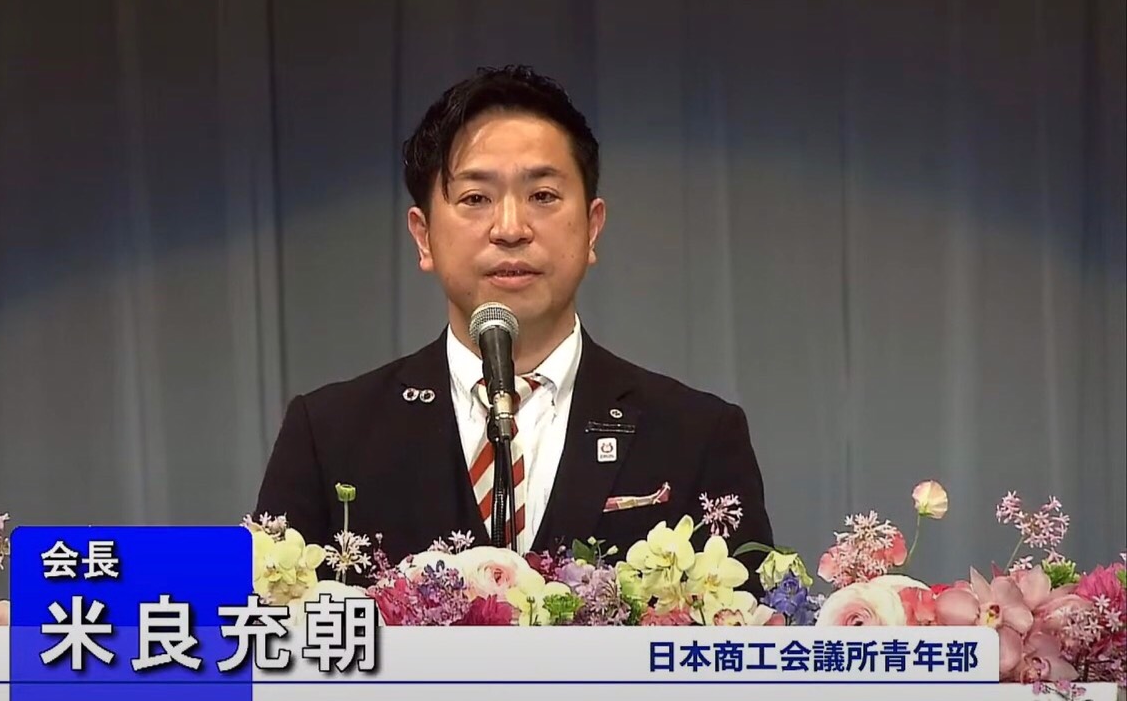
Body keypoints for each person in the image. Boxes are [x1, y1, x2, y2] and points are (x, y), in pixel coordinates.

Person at [254, 65, 773, 594]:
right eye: (475, 199)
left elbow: (747, 630)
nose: (510, 229)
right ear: (423, 237)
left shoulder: (698, 436)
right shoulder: (328, 435)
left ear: (592, 228)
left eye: (542, 195)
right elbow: (254, 626)